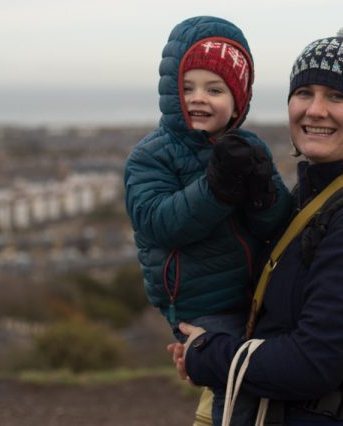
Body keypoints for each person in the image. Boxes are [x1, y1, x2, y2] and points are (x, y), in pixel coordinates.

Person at [168, 26, 343, 425]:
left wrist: (207, 354)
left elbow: (314, 362)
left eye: (337, 96)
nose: (315, 110)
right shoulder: (314, 198)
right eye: (304, 92)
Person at [123, 15, 292, 425]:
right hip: (200, 302)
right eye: (187, 88)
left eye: (214, 89)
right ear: (170, 92)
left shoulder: (250, 147)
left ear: (238, 100)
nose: (198, 98)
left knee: (273, 371)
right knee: (237, 380)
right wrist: (217, 188)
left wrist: (263, 195)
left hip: (252, 293)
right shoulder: (151, 155)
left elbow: (274, 226)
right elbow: (160, 223)